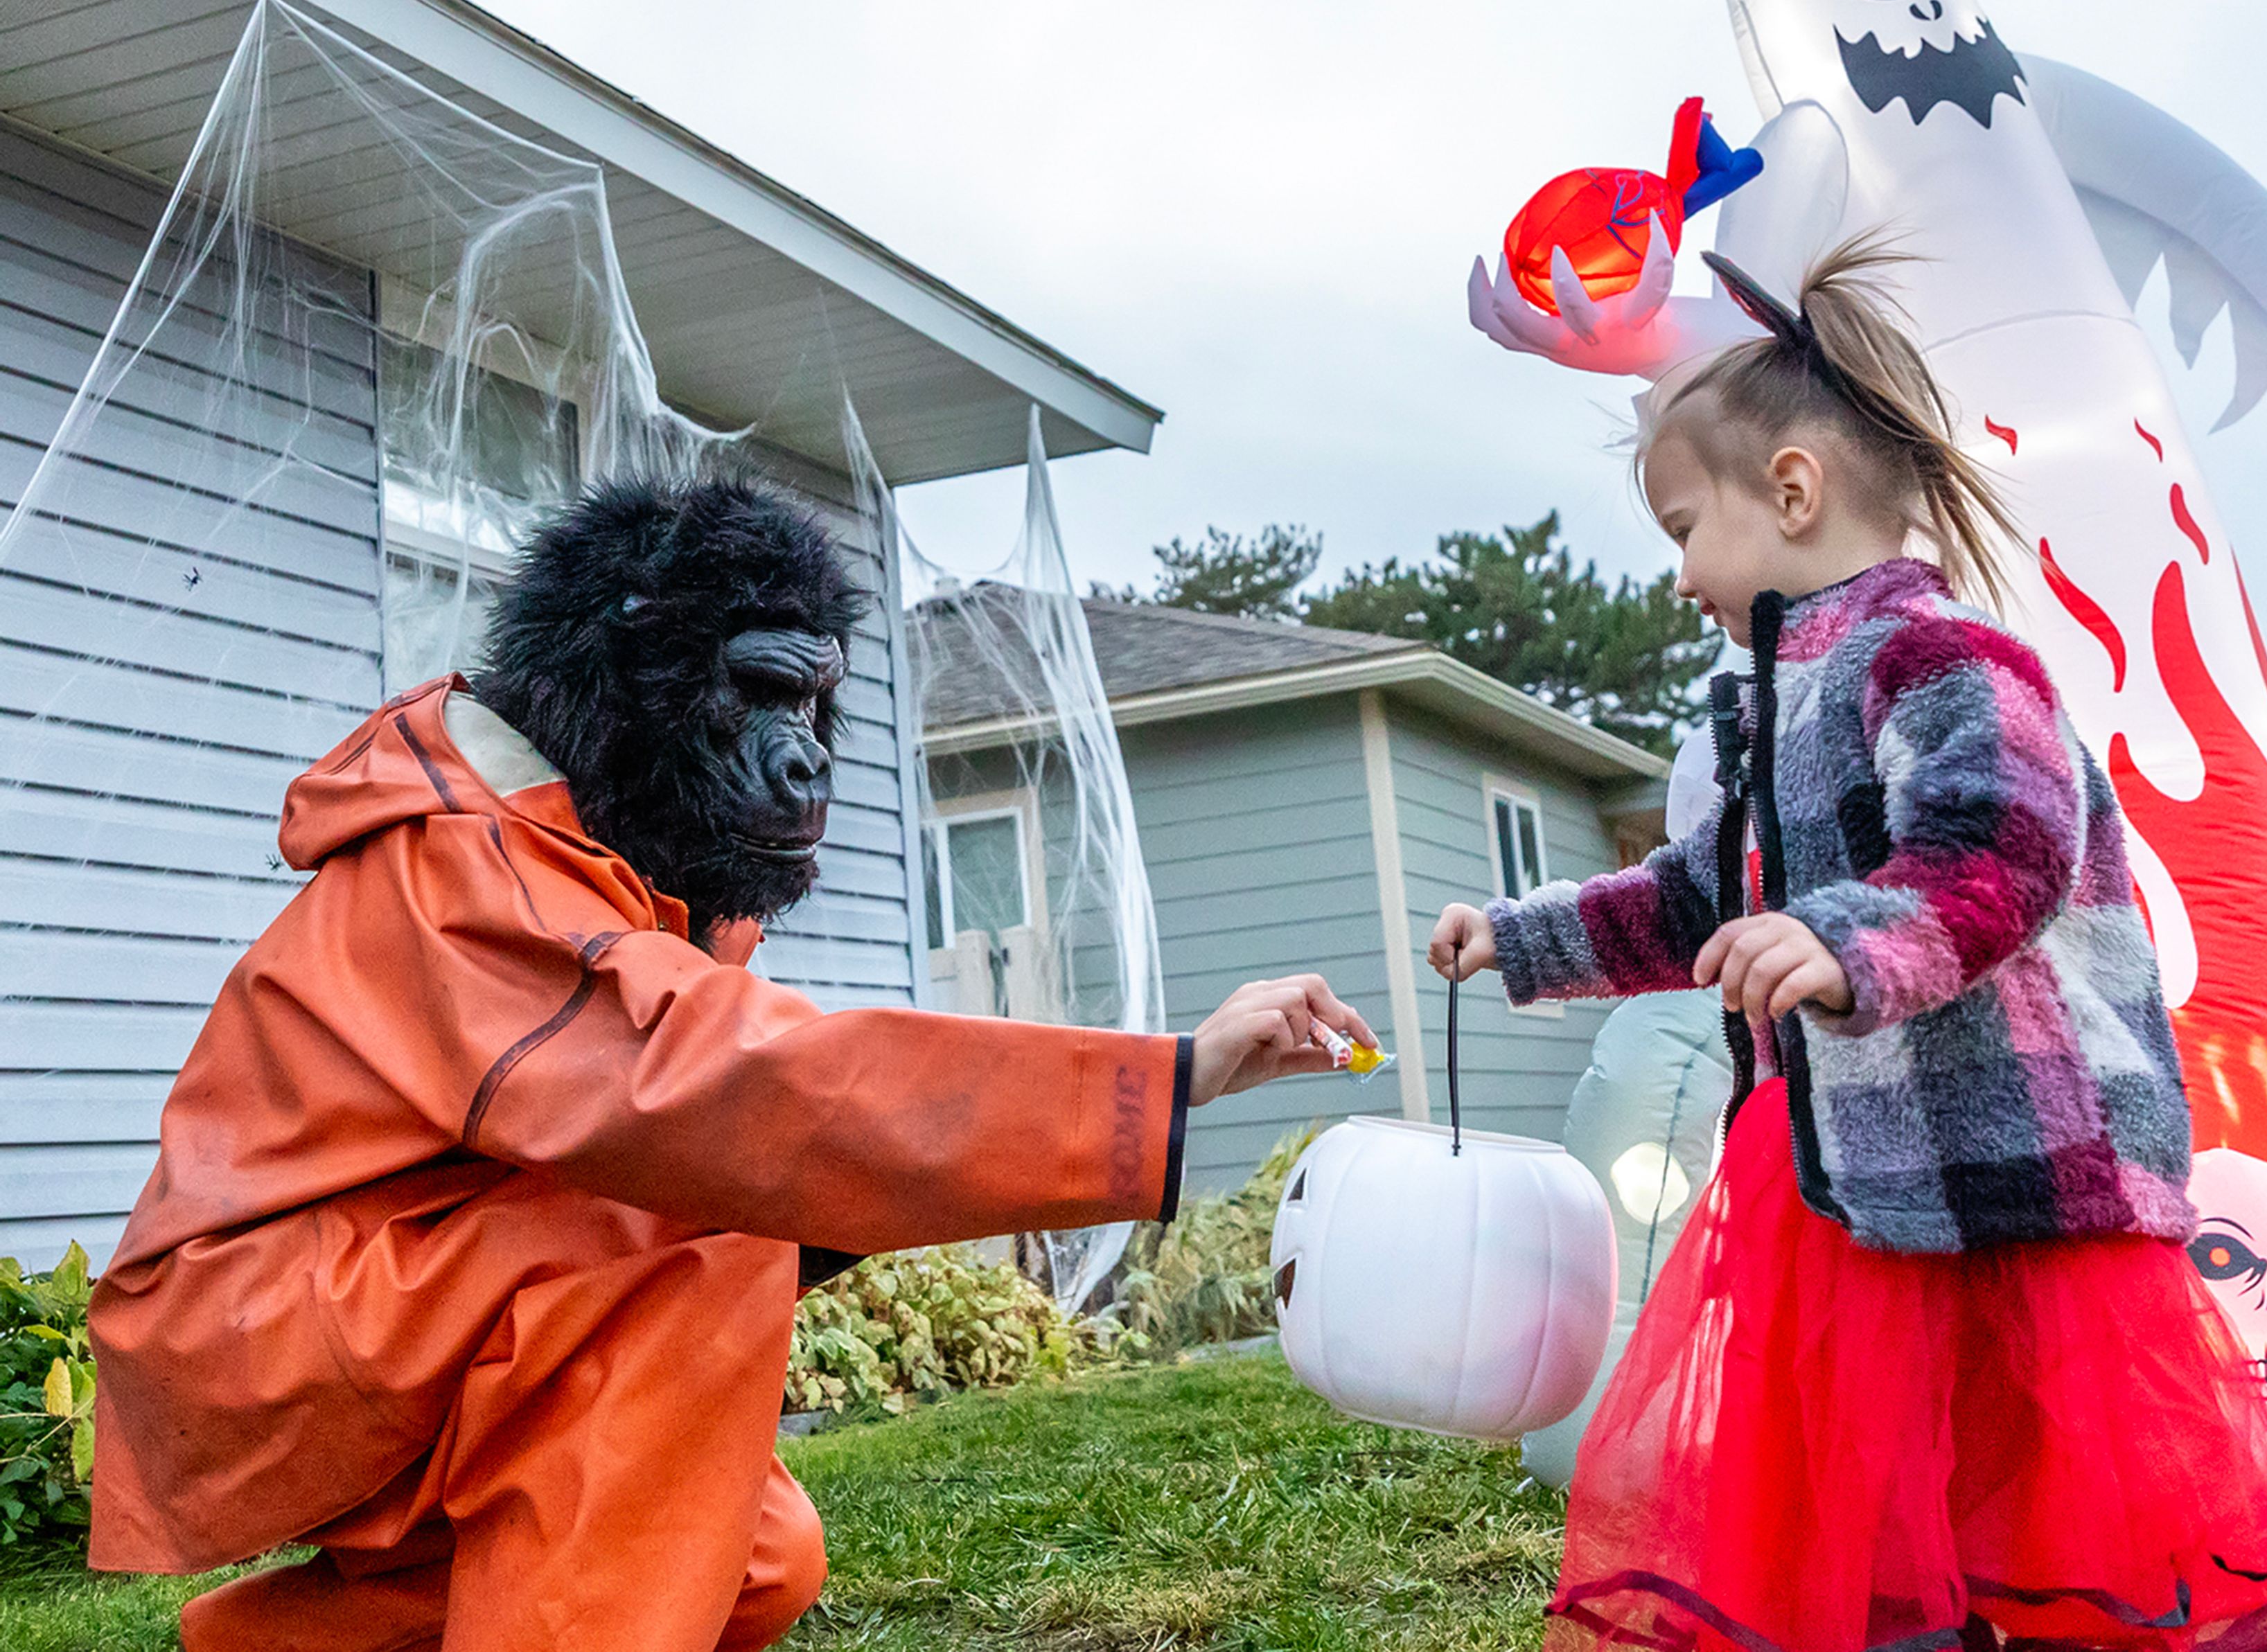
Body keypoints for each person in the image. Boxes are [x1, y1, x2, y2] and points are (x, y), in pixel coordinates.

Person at [87, 478, 1377, 1652]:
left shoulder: (635, 884)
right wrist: (1169, 1077)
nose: (807, 750)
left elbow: (766, 1123)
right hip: (259, 1329)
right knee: (711, 1238)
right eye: (763, 696)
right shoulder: (465, 872)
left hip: (396, 1302)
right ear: (631, 689)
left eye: (817, 702)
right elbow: (743, 1103)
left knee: (761, 1557)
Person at [1427, 243, 2267, 1652]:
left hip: (2014, 1175)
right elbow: (1692, 903)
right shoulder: (1770, 709)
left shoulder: (1947, 663)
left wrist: (1845, 941)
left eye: (1685, 529)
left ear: (1791, 491)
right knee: (1858, 1486)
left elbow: (2000, 849)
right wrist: (1519, 936)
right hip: (1845, 1175)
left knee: (2033, 1476)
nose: (1679, 578)